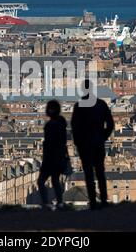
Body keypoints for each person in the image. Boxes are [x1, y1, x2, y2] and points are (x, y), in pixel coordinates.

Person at [71, 79, 114, 210]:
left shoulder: (79, 106)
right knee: (100, 172)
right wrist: (103, 137)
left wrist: (78, 143)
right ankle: (104, 200)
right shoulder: (101, 104)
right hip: (98, 142)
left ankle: (93, 202)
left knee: (89, 174)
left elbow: (74, 127)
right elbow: (110, 124)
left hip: (85, 144)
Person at [37, 100, 68, 209]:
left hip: (50, 158)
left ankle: (46, 203)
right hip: (58, 157)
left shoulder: (52, 125)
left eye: (50, 109)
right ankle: (59, 203)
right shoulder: (61, 124)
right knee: (55, 181)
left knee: (41, 181)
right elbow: (63, 143)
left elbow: (50, 143)